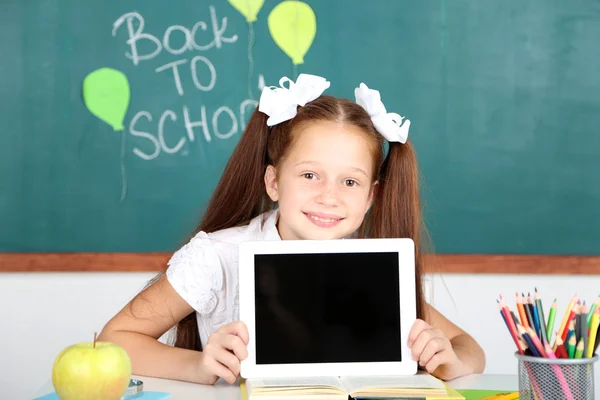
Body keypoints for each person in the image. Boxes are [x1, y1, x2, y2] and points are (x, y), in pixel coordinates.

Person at [98, 74, 485, 385]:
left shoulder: (376, 265)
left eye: (350, 182)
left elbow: (470, 349)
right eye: (310, 174)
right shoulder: (217, 256)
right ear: (274, 182)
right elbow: (113, 341)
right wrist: (198, 366)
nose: (328, 197)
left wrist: (450, 362)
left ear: (370, 197)